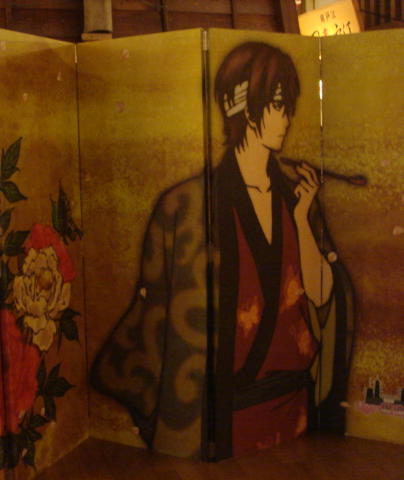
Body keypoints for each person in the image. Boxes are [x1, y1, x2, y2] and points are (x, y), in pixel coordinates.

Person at [91, 41, 353, 461]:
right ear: (243, 108)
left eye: (288, 106)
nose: (286, 118)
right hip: (220, 413)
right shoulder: (186, 206)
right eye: (277, 104)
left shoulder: (296, 198)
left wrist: (303, 219)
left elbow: (323, 297)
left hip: (296, 408)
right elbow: (162, 320)